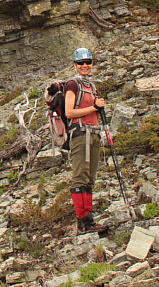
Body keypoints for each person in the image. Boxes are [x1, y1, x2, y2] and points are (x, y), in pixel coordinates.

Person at [64, 47, 107, 234]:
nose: (85, 65)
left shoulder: (91, 86)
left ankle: (89, 220)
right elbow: (69, 112)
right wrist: (94, 108)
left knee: (89, 178)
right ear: (75, 65)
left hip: (94, 133)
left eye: (88, 62)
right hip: (80, 133)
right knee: (80, 177)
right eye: (80, 63)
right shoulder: (72, 85)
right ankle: (83, 223)